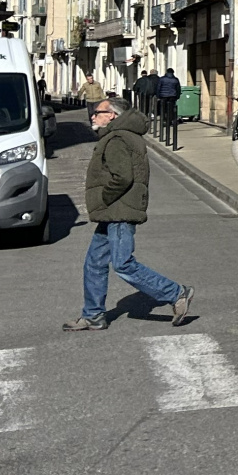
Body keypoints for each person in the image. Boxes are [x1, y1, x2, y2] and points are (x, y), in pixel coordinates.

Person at [64, 97, 194, 331]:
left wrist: (104, 198)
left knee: (123, 263)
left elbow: (123, 177)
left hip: (118, 210)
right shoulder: (121, 136)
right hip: (113, 211)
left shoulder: (117, 139)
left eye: (97, 111)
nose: (93, 116)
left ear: (112, 115)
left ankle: (175, 293)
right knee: (94, 263)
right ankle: (93, 315)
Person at [156, 67, 181, 132]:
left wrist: (158, 95)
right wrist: (178, 96)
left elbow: (158, 87)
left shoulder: (162, 79)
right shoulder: (175, 79)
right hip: (172, 96)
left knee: (163, 109)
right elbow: (178, 88)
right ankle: (171, 120)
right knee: (171, 109)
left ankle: (164, 121)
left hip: (163, 96)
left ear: (166, 72)